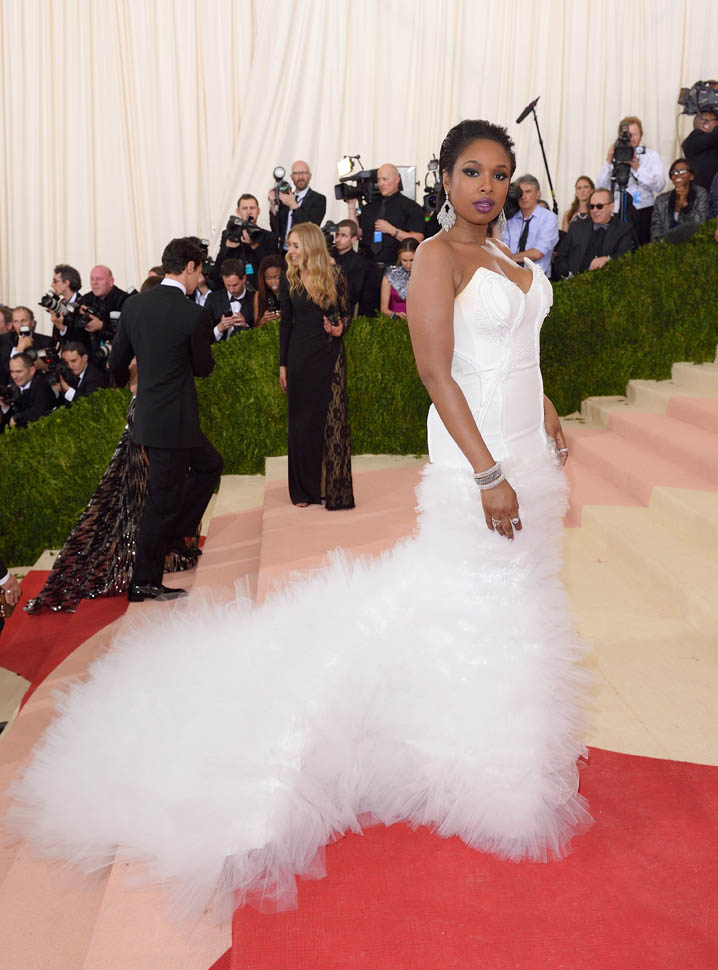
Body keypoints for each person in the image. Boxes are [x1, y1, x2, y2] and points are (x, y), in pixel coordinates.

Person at [6, 125, 590, 924]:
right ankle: (470, 752)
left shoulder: (505, 256)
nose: (486, 186)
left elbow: (518, 352)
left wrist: (546, 409)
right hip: (478, 462)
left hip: (527, 452)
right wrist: (488, 473)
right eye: (470, 171)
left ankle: (495, 738)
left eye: (499, 173)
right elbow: (435, 369)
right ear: (446, 179)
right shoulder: (437, 258)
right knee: (474, 603)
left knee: (514, 606)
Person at [25, 366, 199, 614]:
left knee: (141, 501)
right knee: (139, 502)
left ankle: (159, 552)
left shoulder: (142, 352)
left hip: (146, 421)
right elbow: (126, 376)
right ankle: (147, 567)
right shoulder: (141, 357)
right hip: (145, 424)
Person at [108, 236, 223, 602]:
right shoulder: (192, 314)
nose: (199, 278)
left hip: (152, 417)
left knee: (209, 465)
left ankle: (175, 532)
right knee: (161, 503)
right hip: (174, 424)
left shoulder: (134, 305)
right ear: (189, 267)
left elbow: (116, 361)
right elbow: (203, 368)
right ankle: (144, 581)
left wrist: (130, 382)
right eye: (199, 270)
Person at [278, 222, 354, 510]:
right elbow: (286, 323)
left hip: (330, 353)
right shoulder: (289, 277)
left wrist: (339, 329)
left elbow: (346, 314)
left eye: (296, 245)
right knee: (301, 424)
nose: (291, 251)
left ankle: (332, 489)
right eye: (290, 245)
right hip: (299, 356)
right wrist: (283, 365)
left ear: (311, 246)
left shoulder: (335, 275)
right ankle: (302, 490)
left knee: (332, 421)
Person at [346, 165, 425, 315]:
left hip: (395, 270)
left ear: (397, 179)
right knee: (366, 315)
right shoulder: (370, 207)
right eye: (379, 180)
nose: (381, 183)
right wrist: (351, 207)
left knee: (392, 315)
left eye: (385, 179)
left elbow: (418, 239)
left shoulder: (411, 207)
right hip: (369, 269)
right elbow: (356, 233)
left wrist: (392, 230)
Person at [596, 116, 665, 246]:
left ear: (641, 135)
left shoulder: (650, 156)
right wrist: (608, 162)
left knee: (642, 249)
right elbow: (600, 188)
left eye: (635, 134)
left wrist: (638, 168)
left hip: (643, 210)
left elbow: (659, 185)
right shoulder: (614, 156)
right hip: (618, 211)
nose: (631, 138)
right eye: (627, 135)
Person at [554, 188, 636, 278]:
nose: (595, 210)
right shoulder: (577, 226)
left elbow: (626, 255)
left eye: (599, 206)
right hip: (575, 280)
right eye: (591, 207)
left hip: (607, 280)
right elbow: (561, 256)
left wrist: (608, 259)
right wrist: (567, 274)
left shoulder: (623, 229)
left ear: (611, 207)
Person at [213, 194, 279, 285]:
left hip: (260, 287)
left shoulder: (270, 237)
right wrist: (226, 248)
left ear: (258, 211)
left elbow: (273, 267)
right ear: (238, 211)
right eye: (244, 208)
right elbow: (218, 268)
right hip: (234, 287)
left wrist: (255, 246)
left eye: (252, 208)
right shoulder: (228, 234)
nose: (249, 212)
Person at [503, 175, 559, 278]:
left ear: (538, 194)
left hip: (537, 279)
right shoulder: (511, 218)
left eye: (528, 192)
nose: (523, 197)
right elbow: (502, 248)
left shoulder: (549, 218)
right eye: (520, 193)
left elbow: (537, 253)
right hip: (509, 276)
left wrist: (508, 258)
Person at [269, 161, 326, 250]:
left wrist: (293, 205)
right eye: (296, 173)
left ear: (310, 176)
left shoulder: (319, 199)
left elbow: (312, 229)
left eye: (304, 173)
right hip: (283, 251)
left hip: (305, 251)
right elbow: (276, 229)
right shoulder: (285, 198)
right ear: (291, 177)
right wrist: (272, 205)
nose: (300, 177)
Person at [650, 158, 711, 242]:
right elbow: (655, 230)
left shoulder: (700, 193)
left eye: (682, 171)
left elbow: (701, 223)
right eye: (674, 172)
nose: (678, 175)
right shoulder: (661, 200)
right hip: (667, 245)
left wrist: (685, 204)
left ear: (692, 176)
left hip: (692, 243)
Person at [0, 352, 55, 431]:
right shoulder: (14, 386)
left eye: (19, 371)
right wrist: (5, 407)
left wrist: (17, 418)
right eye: (12, 372)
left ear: (32, 370)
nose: (14, 376)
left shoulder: (41, 386)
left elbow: (38, 412)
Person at [205, 258, 255, 338]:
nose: (231, 290)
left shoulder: (255, 299)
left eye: (235, 285)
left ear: (244, 279)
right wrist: (219, 329)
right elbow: (203, 334)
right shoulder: (213, 299)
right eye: (228, 285)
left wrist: (245, 326)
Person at [331, 219, 371, 313]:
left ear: (353, 239)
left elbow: (352, 295)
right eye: (337, 235)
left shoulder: (359, 263)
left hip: (343, 311)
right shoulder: (329, 254)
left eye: (343, 235)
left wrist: (334, 269)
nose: (338, 239)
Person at [681, 109, 718, 191]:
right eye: (716, 120)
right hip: (703, 194)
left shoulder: (711, 141)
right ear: (705, 124)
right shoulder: (693, 140)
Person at [380, 238, 418, 318]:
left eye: (412, 260)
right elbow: (383, 309)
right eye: (404, 260)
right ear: (399, 258)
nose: (408, 265)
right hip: (395, 322)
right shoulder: (390, 275)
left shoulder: (426, 276)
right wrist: (395, 315)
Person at [252, 255, 283, 327]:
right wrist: (263, 321)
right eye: (268, 278)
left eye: (277, 278)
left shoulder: (292, 292)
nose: (273, 282)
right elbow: (256, 326)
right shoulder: (259, 295)